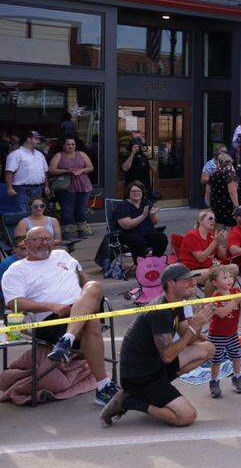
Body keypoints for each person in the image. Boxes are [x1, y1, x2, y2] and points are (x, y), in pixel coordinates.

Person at [2, 226, 120, 405]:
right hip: (50, 319)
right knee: (90, 322)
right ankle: (103, 387)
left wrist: (87, 297)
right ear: (26, 244)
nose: (44, 243)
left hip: (81, 310)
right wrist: (50, 305)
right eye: (38, 239)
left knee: (94, 286)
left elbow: (83, 279)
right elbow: (14, 303)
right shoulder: (16, 270)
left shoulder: (63, 256)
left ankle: (66, 340)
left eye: (48, 239)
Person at [99, 263, 215, 427]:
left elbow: (189, 340)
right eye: (187, 280)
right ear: (171, 284)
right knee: (187, 416)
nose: (193, 283)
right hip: (139, 376)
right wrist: (193, 326)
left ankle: (159, 390)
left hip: (154, 365)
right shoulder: (160, 311)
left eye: (193, 279)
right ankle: (129, 400)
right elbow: (168, 356)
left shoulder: (177, 302)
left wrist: (199, 322)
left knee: (209, 348)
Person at [206, 266, 241, 398]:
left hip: (232, 333)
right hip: (216, 335)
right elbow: (222, 314)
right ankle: (214, 381)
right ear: (215, 283)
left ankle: (237, 377)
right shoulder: (215, 297)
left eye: (230, 277)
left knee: (237, 355)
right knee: (217, 360)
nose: (229, 280)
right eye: (224, 278)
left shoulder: (235, 291)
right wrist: (235, 300)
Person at [48, 137, 95, 238]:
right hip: (66, 185)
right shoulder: (59, 155)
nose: (71, 146)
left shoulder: (82, 154)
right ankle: (67, 231)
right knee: (67, 209)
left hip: (83, 184)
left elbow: (91, 167)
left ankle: (82, 229)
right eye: (68, 144)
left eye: (73, 144)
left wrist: (81, 170)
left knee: (81, 209)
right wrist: (66, 171)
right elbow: (51, 170)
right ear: (63, 146)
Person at [115, 180, 169, 262]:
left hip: (146, 232)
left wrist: (152, 215)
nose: (136, 193)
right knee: (139, 241)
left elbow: (154, 223)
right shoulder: (123, 205)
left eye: (138, 191)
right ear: (128, 193)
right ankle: (140, 266)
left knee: (161, 238)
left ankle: (155, 261)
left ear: (142, 192)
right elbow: (126, 225)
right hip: (128, 234)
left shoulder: (145, 203)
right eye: (133, 191)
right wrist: (142, 216)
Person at [177, 210, 230, 284]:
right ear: (200, 221)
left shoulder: (211, 235)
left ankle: (221, 294)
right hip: (191, 271)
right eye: (210, 218)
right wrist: (215, 241)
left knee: (234, 268)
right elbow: (201, 258)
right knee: (218, 274)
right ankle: (216, 294)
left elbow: (223, 257)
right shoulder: (192, 235)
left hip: (209, 268)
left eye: (215, 219)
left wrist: (219, 243)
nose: (213, 221)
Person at [5, 130, 48, 210]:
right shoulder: (16, 154)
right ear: (29, 139)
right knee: (22, 212)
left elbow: (44, 171)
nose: (38, 141)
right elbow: (9, 172)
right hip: (21, 189)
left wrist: (46, 186)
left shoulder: (40, 154)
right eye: (36, 139)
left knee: (38, 212)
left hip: (38, 188)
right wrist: (9, 188)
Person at [209, 153, 240, 227]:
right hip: (228, 205)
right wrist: (237, 206)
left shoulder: (214, 174)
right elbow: (232, 191)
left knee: (219, 226)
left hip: (216, 204)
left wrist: (209, 205)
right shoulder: (229, 173)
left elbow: (208, 191)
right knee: (231, 228)